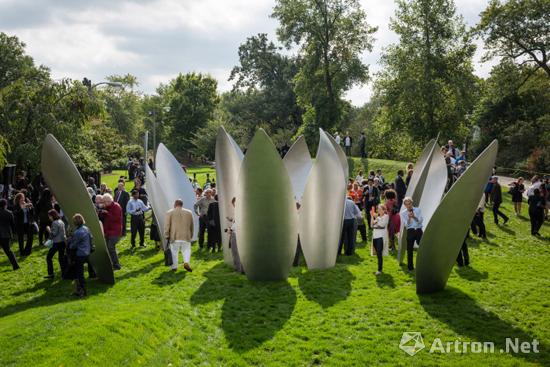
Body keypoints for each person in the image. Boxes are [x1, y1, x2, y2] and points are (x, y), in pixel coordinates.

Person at [164, 199, 194, 272]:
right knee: (186, 250)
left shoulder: (169, 212)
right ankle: (186, 262)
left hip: (174, 235)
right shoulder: (189, 212)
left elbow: (167, 225)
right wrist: (191, 234)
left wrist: (166, 234)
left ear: (175, 204)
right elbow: (192, 225)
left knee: (174, 251)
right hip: (186, 235)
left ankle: (174, 267)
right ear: (181, 204)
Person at [67, 214, 92, 298]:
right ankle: (78, 290)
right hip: (87, 252)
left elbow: (73, 246)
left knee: (79, 273)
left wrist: (69, 241)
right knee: (78, 273)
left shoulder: (78, 232)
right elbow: (91, 238)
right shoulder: (86, 228)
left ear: (75, 222)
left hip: (80, 254)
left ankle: (83, 291)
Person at [100, 193, 123, 270]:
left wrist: (107, 213)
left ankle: (117, 265)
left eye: (104, 202)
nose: (103, 204)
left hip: (115, 231)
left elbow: (116, 218)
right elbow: (103, 218)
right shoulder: (107, 207)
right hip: (107, 231)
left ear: (108, 201)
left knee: (110, 247)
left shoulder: (116, 206)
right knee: (107, 248)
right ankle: (111, 264)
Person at [400, 197, 423, 272]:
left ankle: (424, 265)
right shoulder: (403, 213)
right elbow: (407, 225)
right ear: (405, 205)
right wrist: (409, 218)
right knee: (409, 250)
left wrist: (414, 217)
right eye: (406, 204)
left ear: (411, 203)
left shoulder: (418, 210)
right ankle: (410, 268)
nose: (408, 206)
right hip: (410, 231)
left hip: (419, 230)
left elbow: (420, 221)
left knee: (423, 247)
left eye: (409, 204)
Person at [45, 209, 67, 278]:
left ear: (52, 216)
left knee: (49, 257)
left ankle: (51, 274)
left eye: (49, 216)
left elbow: (53, 234)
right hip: (63, 242)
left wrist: (48, 229)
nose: (49, 218)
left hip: (57, 243)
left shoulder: (54, 223)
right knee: (61, 258)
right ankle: (64, 274)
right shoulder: (61, 221)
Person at [0, 199, 19, 270]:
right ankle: (15, 265)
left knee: (8, 251)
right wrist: (14, 233)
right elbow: (12, 225)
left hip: (3, 234)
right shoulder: (9, 213)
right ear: (5, 205)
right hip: (6, 234)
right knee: (8, 251)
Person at [371, 204, 389, 275]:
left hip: (381, 237)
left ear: (384, 210)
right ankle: (379, 269)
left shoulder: (386, 216)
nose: (378, 210)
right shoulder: (377, 217)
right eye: (378, 209)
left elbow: (382, 225)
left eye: (380, 209)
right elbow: (372, 225)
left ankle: (379, 270)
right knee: (377, 254)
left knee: (379, 253)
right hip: (375, 237)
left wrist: (377, 219)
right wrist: (372, 216)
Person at [227, 197, 244, 273]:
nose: (234, 205)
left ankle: (239, 269)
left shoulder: (239, 211)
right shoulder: (240, 210)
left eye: (234, 204)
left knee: (236, 252)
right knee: (238, 252)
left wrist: (230, 229)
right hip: (238, 233)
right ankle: (240, 269)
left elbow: (237, 223)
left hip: (236, 234)